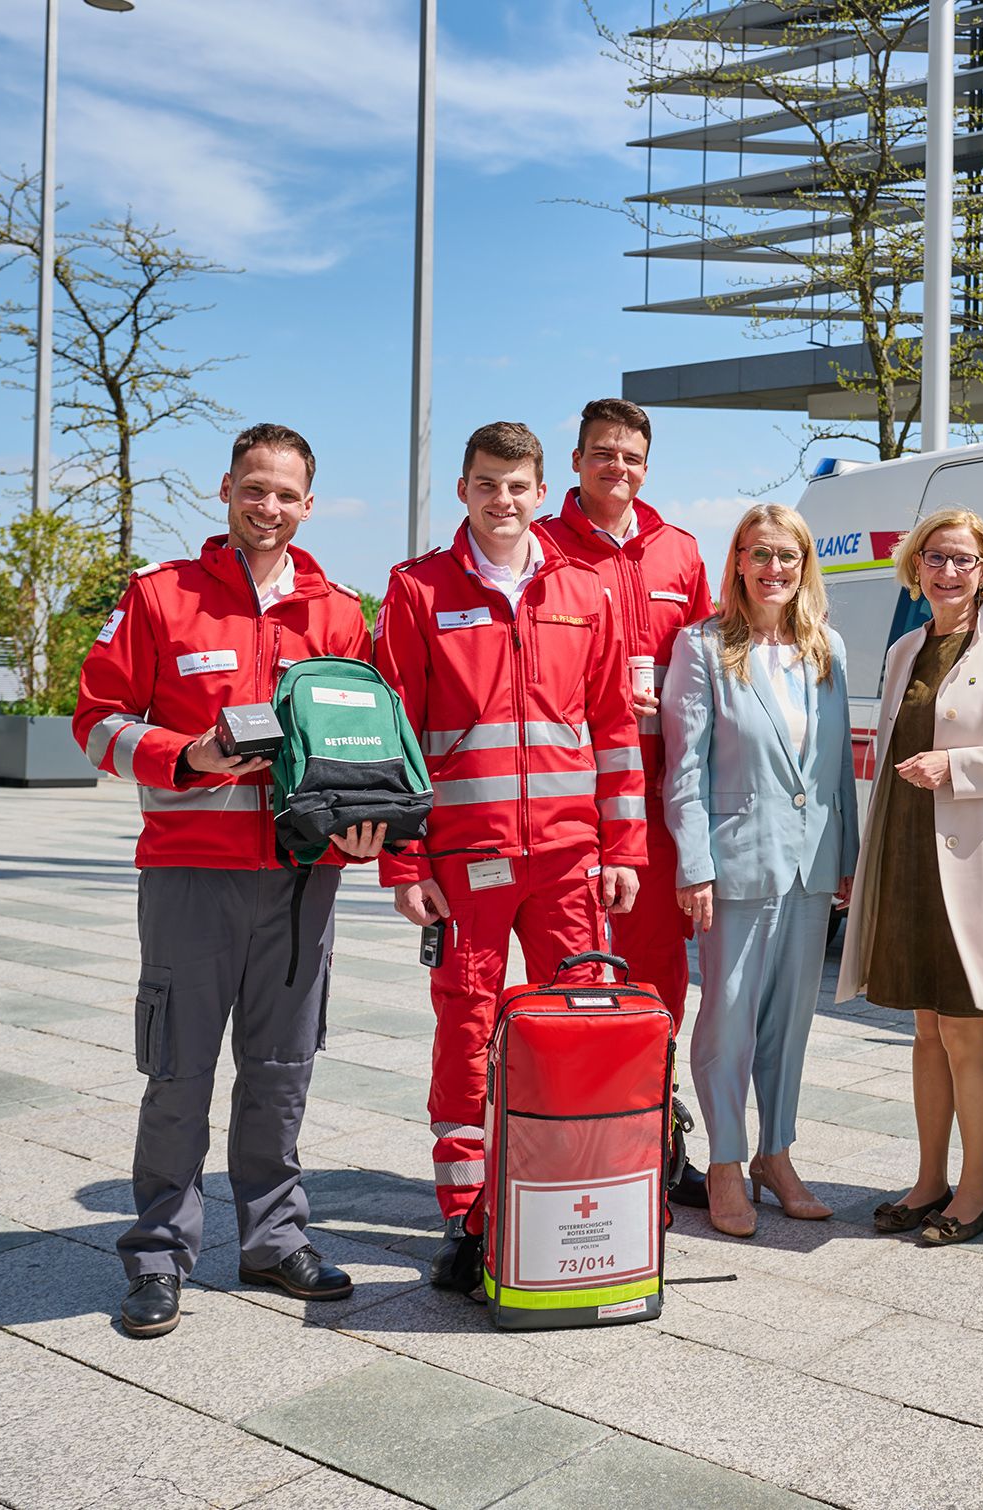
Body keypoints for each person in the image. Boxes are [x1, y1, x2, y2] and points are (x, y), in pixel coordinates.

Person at [75, 422, 383, 1339]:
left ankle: (273, 1240)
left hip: (301, 877)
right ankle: (158, 1255)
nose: (268, 507)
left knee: (283, 1068)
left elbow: (361, 737)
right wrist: (189, 755)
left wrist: (365, 824)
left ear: (309, 505)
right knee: (178, 1069)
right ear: (226, 490)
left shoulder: (339, 613)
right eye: (255, 488)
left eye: (286, 494)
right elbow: (95, 721)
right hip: (190, 875)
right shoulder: (161, 596)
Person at [370, 420, 646, 1294]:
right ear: (464, 489)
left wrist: (624, 847)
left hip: (568, 859)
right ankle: (466, 1216)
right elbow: (395, 736)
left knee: (583, 1023)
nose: (503, 500)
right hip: (468, 861)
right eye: (487, 484)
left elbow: (612, 728)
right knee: (467, 1030)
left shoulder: (585, 589)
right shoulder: (417, 589)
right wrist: (404, 863)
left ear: (541, 491)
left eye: (518, 485)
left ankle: (570, 1194)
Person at [837, 509, 983, 1245]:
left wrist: (957, 766)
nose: (948, 571)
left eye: (964, 560)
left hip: (973, 865)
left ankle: (975, 1192)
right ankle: (929, 1179)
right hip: (908, 857)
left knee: (966, 1036)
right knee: (925, 1034)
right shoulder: (905, 649)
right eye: (935, 557)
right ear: (915, 565)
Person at [663, 504, 859, 1238]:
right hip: (737, 862)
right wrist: (694, 865)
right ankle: (725, 1162)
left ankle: (776, 1155)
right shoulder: (704, 646)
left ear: (805, 566)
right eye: (761, 554)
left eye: (788, 556)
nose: (775, 569)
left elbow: (836, 766)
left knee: (790, 1022)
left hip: (811, 864)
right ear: (739, 562)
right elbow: (684, 768)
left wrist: (847, 856)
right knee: (728, 1020)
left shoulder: (826, 647)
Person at [543, 397, 714, 1209]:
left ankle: (659, 1137)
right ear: (577, 461)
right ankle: (572, 1136)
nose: (618, 467)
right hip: (571, 792)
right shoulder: (540, 548)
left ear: (648, 466)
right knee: (571, 971)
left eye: (632, 457)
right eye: (603, 453)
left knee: (657, 976)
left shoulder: (679, 551)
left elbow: (710, 664)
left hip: (658, 793)